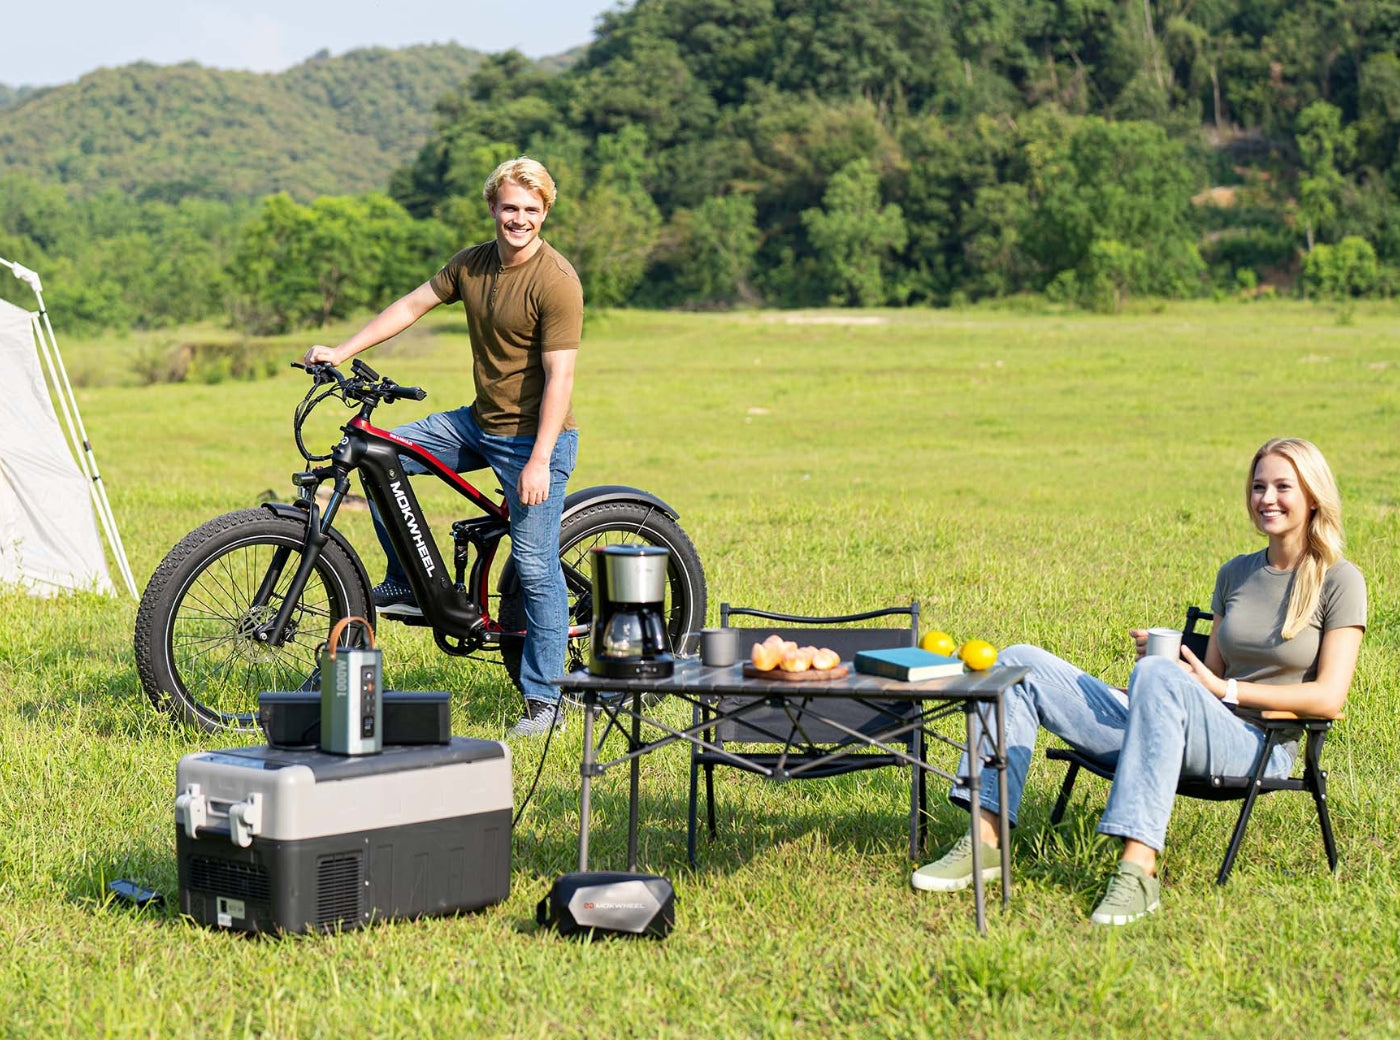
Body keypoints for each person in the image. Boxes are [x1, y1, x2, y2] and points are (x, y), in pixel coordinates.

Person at [912, 437, 1366, 924]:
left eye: (1282, 487)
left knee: (1158, 674)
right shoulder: (1236, 573)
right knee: (1019, 662)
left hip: (1260, 742)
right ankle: (985, 840)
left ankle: (1138, 871)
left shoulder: (1340, 580)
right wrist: (1157, 678)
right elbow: (1209, 674)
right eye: (1259, 487)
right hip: (1192, 722)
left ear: (1312, 495)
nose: (1267, 498)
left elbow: (1328, 697)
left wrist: (1219, 690)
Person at [302, 156, 583, 738]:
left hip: (537, 439)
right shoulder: (472, 264)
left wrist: (538, 461)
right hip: (479, 424)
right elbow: (411, 305)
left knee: (534, 565)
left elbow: (561, 378)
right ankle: (407, 579)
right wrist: (343, 349)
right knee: (378, 456)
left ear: (545, 212)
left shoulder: (556, 281)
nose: (520, 219)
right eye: (510, 208)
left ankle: (546, 700)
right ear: (493, 207)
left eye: (532, 210)